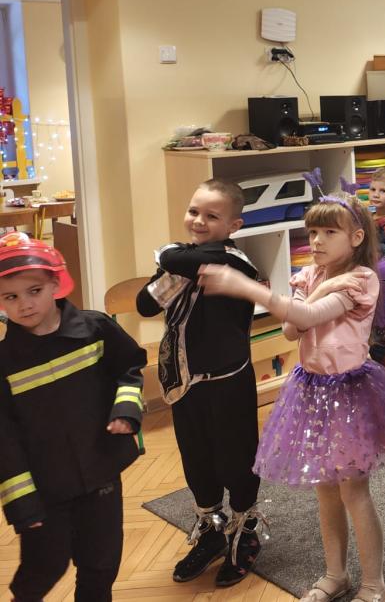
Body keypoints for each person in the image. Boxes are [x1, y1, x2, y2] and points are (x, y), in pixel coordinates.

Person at [199, 192, 385, 602]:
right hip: (312, 392)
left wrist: (248, 288)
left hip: (349, 394)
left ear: (356, 237)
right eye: (312, 232)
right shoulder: (312, 275)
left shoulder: (361, 279)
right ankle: (335, 575)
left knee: (353, 492)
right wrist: (315, 289)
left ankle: (376, 584)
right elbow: (292, 331)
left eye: (329, 232)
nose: (317, 240)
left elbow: (305, 316)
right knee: (326, 490)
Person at [0, 233, 146, 602]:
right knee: (44, 566)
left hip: (100, 475)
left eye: (34, 291)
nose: (24, 304)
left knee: (101, 564)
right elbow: (4, 440)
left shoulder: (95, 330)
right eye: (10, 297)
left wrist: (126, 409)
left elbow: (129, 369)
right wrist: (20, 502)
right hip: (44, 490)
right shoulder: (5, 363)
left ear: (55, 283)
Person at [134, 178, 266, 586]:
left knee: (236, 459)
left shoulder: (234, 263)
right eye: (194, 211)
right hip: (184, 381)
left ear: (234, 225)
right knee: (197, 460)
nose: (198, 221)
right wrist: (172, 263)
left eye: (212, 216)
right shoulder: (185, 262)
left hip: (228, 381)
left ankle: (244, 533)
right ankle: (211, 531)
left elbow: (183, 258)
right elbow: (144, 304)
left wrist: (169, 256)